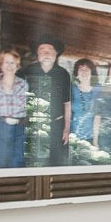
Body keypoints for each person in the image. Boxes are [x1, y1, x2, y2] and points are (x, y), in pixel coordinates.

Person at [25, 39, 73, 167]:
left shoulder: (63, 74)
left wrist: (67, 129)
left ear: (56, 54)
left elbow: (67, 103)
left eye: (50, 50)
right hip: (33, 128)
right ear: (37, 53)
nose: (46, 53)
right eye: (42, 50)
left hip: (57, 126)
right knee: (32, 164)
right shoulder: (27, 71)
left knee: (56, 163)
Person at [0, 48, 29, 169]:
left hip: (19, 129)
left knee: (17, 166)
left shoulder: (24, 84)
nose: (9, 66)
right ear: (0, 65)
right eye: (6, 62)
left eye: (12, 63)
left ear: (17, 66)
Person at [69, 59, 102, 157]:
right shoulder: (71, 89)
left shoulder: (99, 89)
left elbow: (98, 116)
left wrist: (95, 142)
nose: (84, 72)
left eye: (87, 69)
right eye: (81, 69)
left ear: (92, 72)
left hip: (93, 138)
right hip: (73, 137)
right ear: (76, 73)